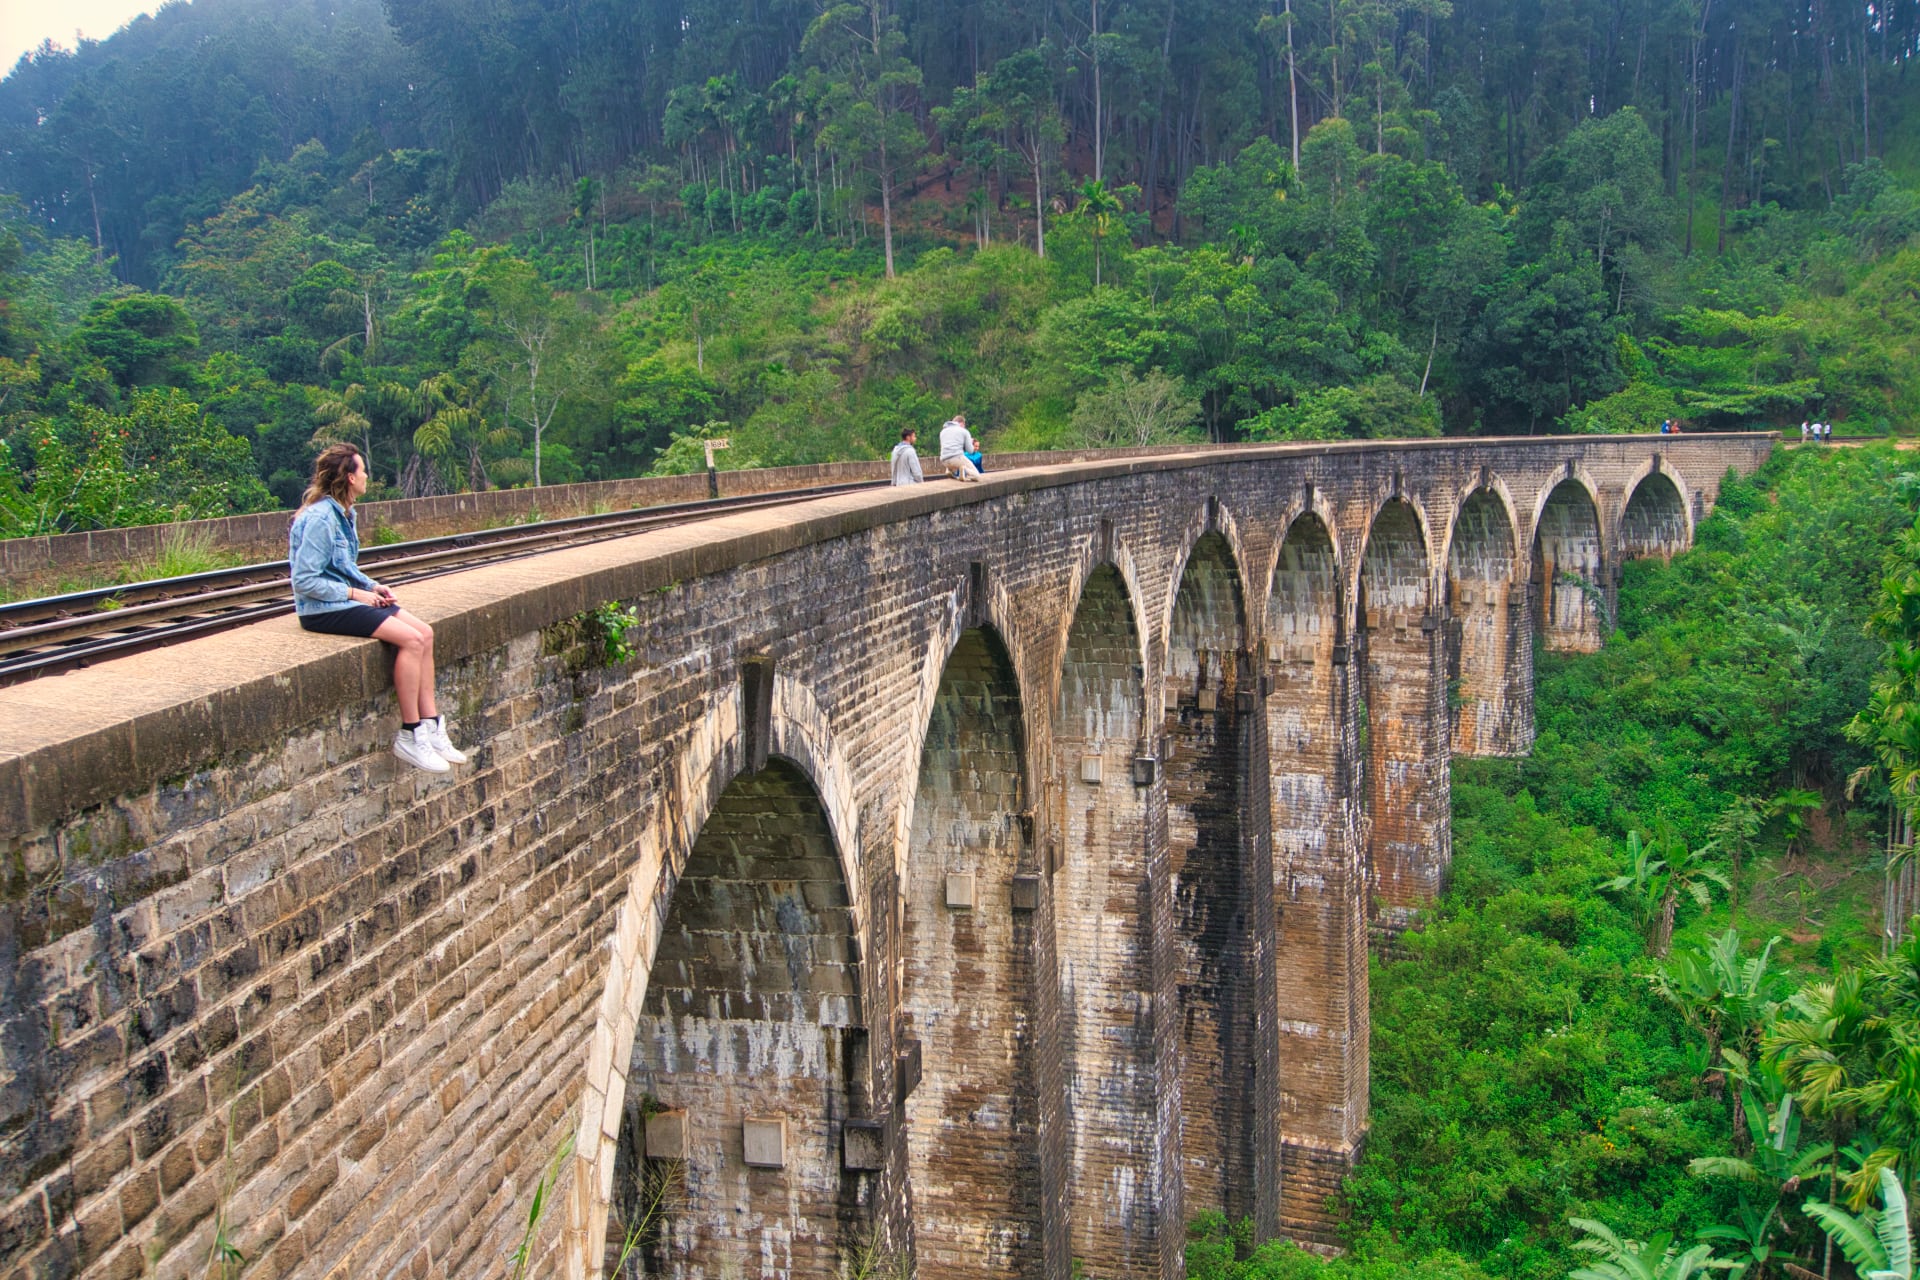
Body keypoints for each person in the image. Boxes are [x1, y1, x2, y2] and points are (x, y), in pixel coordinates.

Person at [290, 443, 467, 773]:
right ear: (350, 477)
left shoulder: (343, 513)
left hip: (346, 598)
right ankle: (411, 734)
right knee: (410, 641)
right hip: (322, 608)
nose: (367, 476)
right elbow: (304, 580)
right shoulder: (319, 518)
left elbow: (341, 565)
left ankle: (431, 725)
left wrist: (371, 586)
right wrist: (358, 595)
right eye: (363, 470)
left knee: (425, 633)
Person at [939, 413, 981, 481]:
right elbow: (970, 451)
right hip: (956, 458)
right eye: (964, 425)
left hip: (944, 460)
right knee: (977, 476)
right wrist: (970, 442)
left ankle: (949, 470)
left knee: (954, 463)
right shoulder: (964, 431)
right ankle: (964, 469)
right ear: (962, 423)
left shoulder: (942, 432)